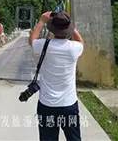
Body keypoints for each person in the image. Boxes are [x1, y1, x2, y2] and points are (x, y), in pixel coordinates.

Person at [28, 10, 84, 141]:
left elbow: (32, 40)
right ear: (68, 30)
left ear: (52, 28)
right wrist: (71, 27)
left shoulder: (43, 45)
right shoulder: (74, 49)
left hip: (47, 105)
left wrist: (42, 20)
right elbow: (81, 41)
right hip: (69, 105)